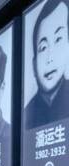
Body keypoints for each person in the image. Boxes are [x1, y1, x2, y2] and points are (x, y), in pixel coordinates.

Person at [24, 0, 69, 129]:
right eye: (43, 48)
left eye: (58, 39)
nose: (50, 58)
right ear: (34, 64)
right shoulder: (26, 115)